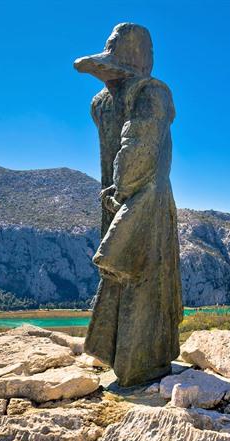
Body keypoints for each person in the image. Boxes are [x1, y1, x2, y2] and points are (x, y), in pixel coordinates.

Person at [74, 23, 182, 387]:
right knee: (146, 278)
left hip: (114, 201)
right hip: (143, 201)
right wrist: (124, 189)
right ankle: (143, 364)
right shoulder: (152, 92)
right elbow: (139, 148)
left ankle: (120, 355)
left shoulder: (102, 104)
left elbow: (129, 146)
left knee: (124, 275)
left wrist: (117, 193)